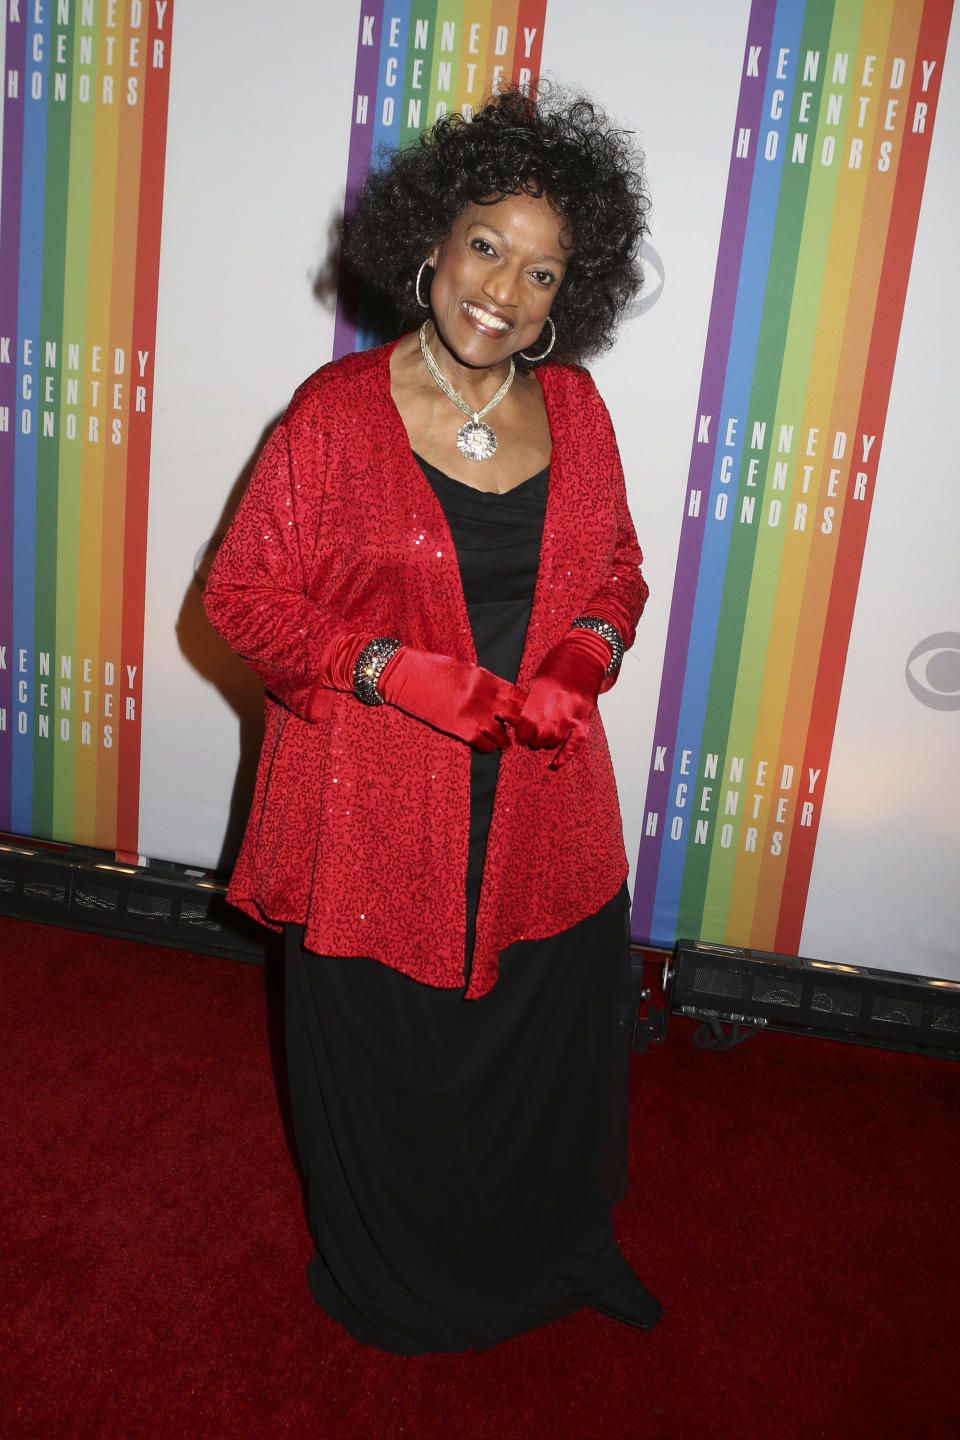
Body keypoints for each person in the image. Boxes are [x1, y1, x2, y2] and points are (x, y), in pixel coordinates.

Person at [203, 87, 658, 1355]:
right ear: (435, 239)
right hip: (373, 807)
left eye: (542, 269)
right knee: (398, 1066)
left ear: (575, 293)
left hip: (542, 804)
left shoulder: (576, 410)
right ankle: (403, 1286)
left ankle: (551, 1253)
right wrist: (386, 670)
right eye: (487, 246)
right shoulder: (334, 414)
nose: (503, 290)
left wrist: (585, 653)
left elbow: (617, 565)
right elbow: (239, 596)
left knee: (539, 1053)